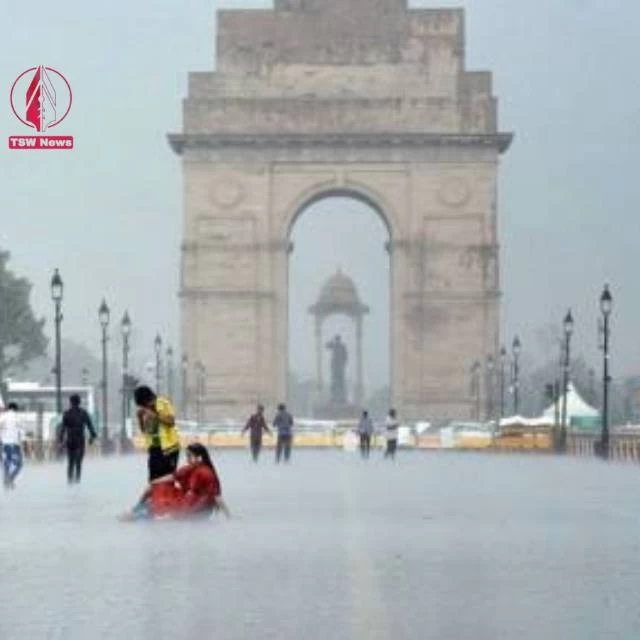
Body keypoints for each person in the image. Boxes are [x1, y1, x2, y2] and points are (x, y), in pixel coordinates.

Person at [124, 443, 229, 521]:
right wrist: (155, 482)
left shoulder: (206, 473)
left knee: (155, 515)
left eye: (189, 456)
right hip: (185, 502)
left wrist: (229, 517)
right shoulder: (188, 469)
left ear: (199, 458)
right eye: (186, 456)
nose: (187, 459)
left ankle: (138, 514)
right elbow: (171, 477)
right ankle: (137, 508)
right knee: (155, 487)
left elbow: (217, 497)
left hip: (195, 510)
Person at [134, 386, 180, 481]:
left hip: (169, 448)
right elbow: (144, 431)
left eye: (144, 404)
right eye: (142, 405)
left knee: (167, 478)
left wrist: (154, 415)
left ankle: (168, 495)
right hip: (154, 449)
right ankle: (155, 495)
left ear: (150, 398)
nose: (144, 407)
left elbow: (171, 422)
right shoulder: (145, 409)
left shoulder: (163, 403)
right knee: (153, 479)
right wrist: (140, 418)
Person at [59, 395, 97, 484]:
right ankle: (77, 482)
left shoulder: (67, 413)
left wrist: (60, 441)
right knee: (78, 462)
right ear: (79, 402)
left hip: (70, 441)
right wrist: (92, 436)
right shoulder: (83, 413)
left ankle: (70, 482)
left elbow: (62, 429)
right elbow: (90, 426)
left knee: (71, 463)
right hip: (79, 441)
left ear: (70, 402)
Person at [0, 403, 24, 489]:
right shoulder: (18, 418)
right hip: (15, 444)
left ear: (8, 408)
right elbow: (21, 433)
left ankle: (6, 480)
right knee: (19, 464)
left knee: (6, 463)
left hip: (4, 444)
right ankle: (10, 478)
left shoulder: (3, 417)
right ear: (16, 409)